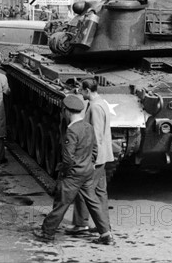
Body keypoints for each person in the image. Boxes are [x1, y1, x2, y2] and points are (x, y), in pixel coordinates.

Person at [34, 94, 112, 244]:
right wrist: (89, 164)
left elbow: (68, 157)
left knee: (61, 203)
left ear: (66, 111)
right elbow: (95, 149)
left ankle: (47, 232)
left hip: (73, 174)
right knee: (93, 202)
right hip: (88, 172)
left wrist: (64, 172)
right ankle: (105, 233)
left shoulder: (71, 131)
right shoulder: (88, 127)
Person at [66, 79, 114, 241]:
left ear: (87, 90)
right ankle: (104, 224)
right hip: (104, 154)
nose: (80, 92)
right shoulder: (102, 103)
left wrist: (92, 159)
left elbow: (97, 134)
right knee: (100, 191)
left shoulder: (94, 107)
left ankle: (81, 224)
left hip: (97, 157)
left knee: (84, 190)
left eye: (81, 89)